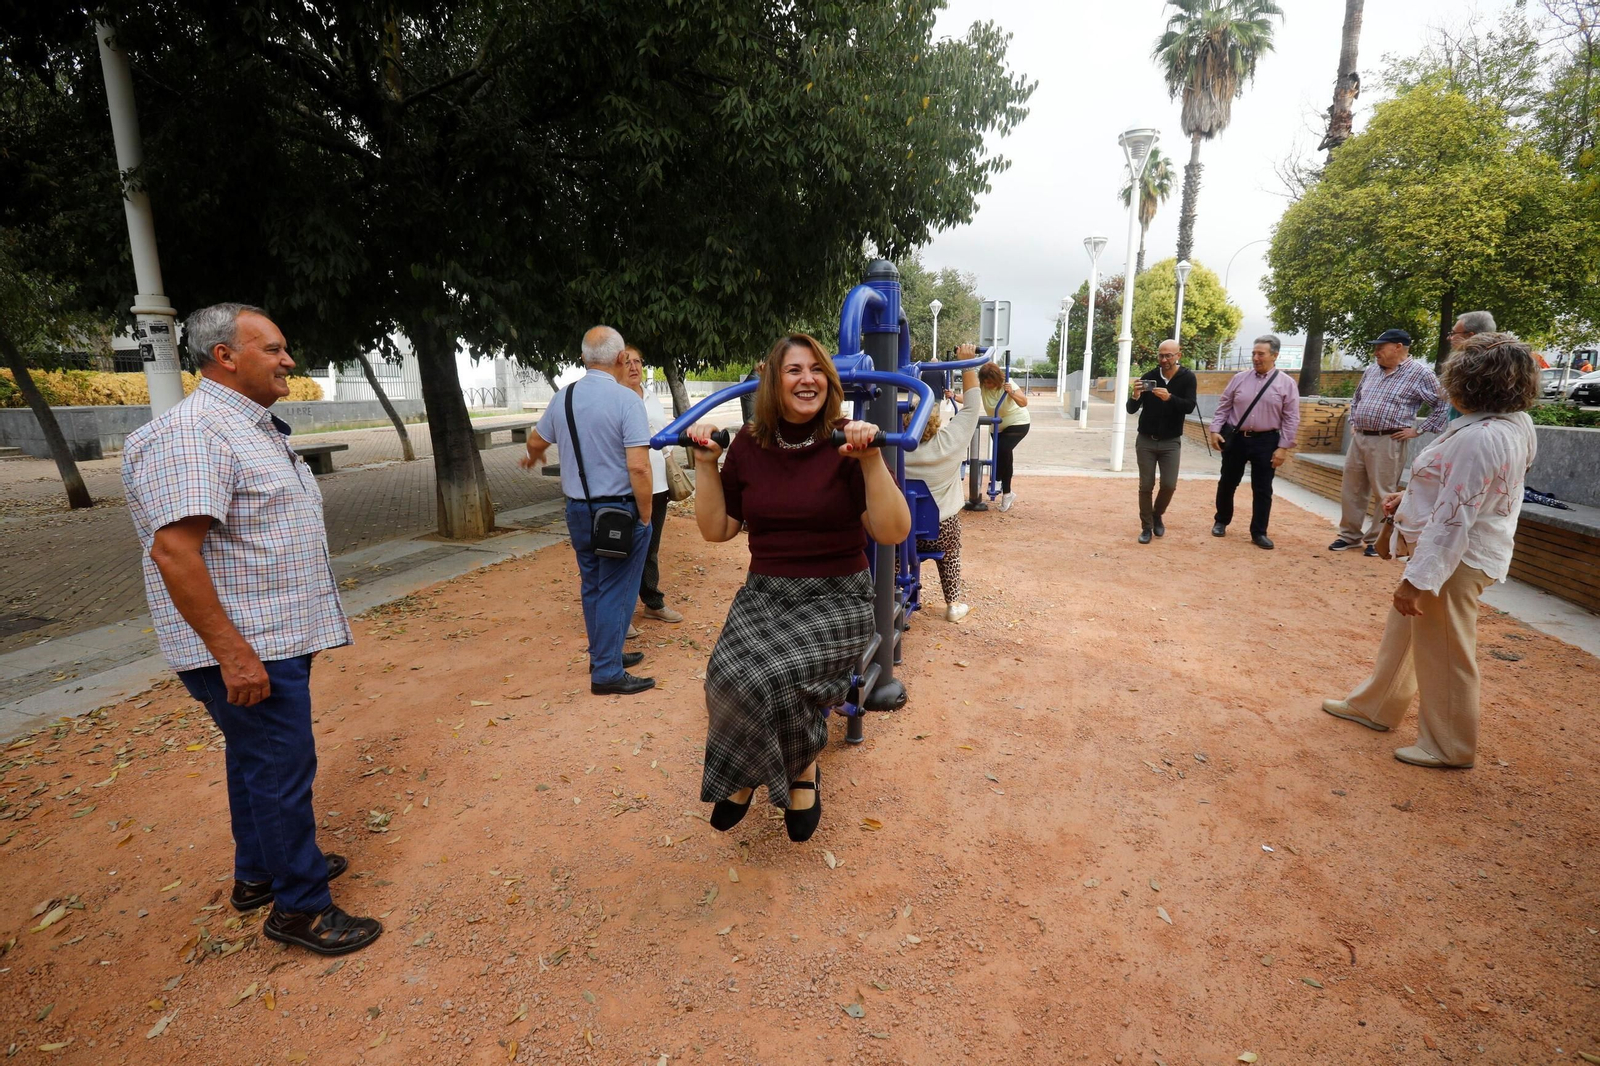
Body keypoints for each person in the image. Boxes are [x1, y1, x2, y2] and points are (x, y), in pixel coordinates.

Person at [122, 303, 380, 956]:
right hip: (248, 647)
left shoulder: (249, 427)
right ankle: (301, 909)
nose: (288, 359)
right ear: (223, 357)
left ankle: (258, 874)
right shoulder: (196, 433)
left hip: (273, 638)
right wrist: (234, 656)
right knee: (281, 768)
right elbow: (175, 552)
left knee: (257, 760)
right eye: (272, 349)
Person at [681, 333, 910, 842]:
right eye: (793, 370)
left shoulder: (847, 442)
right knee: (726, 674)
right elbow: (718, 530)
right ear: (773, 383)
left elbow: (892, 532)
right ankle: (746, 772)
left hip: (838, 596)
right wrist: (704, 465)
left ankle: (801, 770)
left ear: (829, 381)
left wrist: (870, 459)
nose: (807, 379)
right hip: (766, 592)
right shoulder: (749, 443)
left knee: (777, 676)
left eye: (816, 370)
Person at [1322, 333, 1539, 769]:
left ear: (1470, 380)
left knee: (1445, 651)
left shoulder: (1482, 437)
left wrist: (1415, 580)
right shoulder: (1508, 425)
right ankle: (1376, 705)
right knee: (1406, 636)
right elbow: (1471, 492)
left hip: (1455, 559)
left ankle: (1449, 745)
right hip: (1460, 551)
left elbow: (1455, 519)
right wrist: (1411, 498)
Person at [521, 326, 655, 695]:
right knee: (617, 588)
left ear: (583, 358)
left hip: (578, 510)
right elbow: (640, 467)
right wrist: (646, 517)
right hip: (619, 511)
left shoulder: (563, 398)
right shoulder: (628, 401)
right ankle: (607, 673)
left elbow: (535, 439)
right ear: (619, 358)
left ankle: (604, 655)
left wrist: (535, 455)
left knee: (594, 585)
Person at [1329, 329, 1448, 557]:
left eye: (1380, 347)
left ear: (1398, 347)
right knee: (1352, 489)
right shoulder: (1372, 370)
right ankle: (1349, 536)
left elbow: (1443, 404)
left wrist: (1419, 430)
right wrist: (1354, 421)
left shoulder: (1420, 373)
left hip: (1388, 439)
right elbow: (1357, 399)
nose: (1376, 352)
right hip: (1361, 437)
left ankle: (1376, 539)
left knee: (1384, 492)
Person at [902, 349, 983, 621]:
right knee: (950, 552)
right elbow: (972, 407)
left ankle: (890, 591)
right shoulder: (949, 443)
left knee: (888, 544)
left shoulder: (893, 450)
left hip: (900, 530)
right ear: (935, 421)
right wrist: (968, 365)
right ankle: (953, 603)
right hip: (939, 529)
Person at [1207, 335, 1300, 549]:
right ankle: (1221, 520)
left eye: (1261, 354)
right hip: (1237, 439)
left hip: (1266, 441)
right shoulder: (1239, 378)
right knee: (1227, 482)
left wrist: (1283, 447)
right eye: (1254, 353)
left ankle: (1259, 532)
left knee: (1263, 489)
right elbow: (1224, 406)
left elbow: (1291, 417)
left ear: (1275, 356)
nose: (1255, 358)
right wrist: (1214, 431)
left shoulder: (1286, 384)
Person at [621, 346, 684, 624]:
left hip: (657, 484)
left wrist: (671, 463)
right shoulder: (614, 398)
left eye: (638, 361)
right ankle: (621, 612)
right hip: (626, 486)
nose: (634, 367)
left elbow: (660, 434)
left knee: (650, 547)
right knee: (623, 548)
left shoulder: (650, 396)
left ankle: (652, 602)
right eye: (627, 362)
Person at [1126, 339, 1198, 543]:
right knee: (1146, 485)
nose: (1164, 359)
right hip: (1146, 440)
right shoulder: (1149, 377)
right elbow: (1131, 409)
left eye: (1168, 355)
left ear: (1178, 356)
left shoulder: (1187, 378)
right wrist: (1135, 394)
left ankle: (1157, 514)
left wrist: (1170, 398)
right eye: (1161, 355)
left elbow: (1189, 406)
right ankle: (1146, 527)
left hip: (1171, 441)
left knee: (1169, 484)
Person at [978, 361, 1030, 512]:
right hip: (997, 427)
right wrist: (953, 396)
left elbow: (1024, 402)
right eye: (985, 382)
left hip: (1018, 422)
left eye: (990, 382)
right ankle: (1007, 494)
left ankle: (997, 479)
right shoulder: (982, 386)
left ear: (996, 379)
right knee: (1006, 458)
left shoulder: (1008, 383)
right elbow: (969, 397)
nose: (987, 385)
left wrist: (1011, 393)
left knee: (1002, 450)